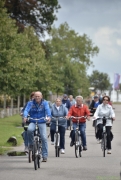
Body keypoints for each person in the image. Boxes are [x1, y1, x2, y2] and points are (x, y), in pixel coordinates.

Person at [23, 91, 51, 162]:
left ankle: (44, 155)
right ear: (34, 97)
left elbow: (48, 110)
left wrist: (49, 117)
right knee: (29, 130)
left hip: (42, 121)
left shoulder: (45, 103)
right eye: (36, 96)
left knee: (44, 137)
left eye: (39, 96)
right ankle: (31, 145)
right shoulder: (30, 103)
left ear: (41, 97)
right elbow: (26, 110)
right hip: (33, 120)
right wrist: (25, 116)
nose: (37, 97)